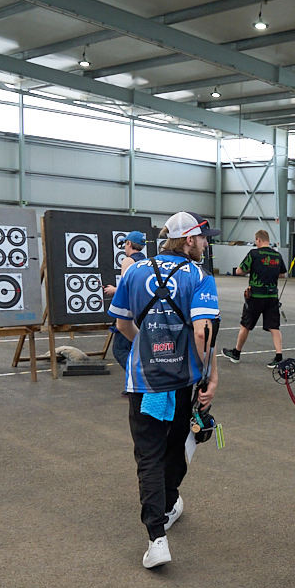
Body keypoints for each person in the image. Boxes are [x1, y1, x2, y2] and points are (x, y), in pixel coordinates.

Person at [109, 211, 221, 569]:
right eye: (202, 238)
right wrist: (210, 375)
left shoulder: (134, 271)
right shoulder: (199, 276)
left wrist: (145, 346)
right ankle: (170, 501)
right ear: (189, 239)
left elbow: (122, 324)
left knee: (149, 456)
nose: (205, 244)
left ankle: (157, 538)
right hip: (182, 381)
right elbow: (203, 332)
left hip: (144, 381)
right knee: (177, 445)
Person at [222, 230, 287, 368]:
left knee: (245, 325)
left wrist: (253, 270)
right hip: (272, 297)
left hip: (255, 296)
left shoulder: (254, 254)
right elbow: (282, 274)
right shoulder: (277, 255)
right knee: (274, 327)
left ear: (258, 240)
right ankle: (279, 356)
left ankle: (236, 353)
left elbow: (239, 271)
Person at [104, 230, 149, 373]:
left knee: (120, 349)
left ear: (129, 243)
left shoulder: (128, 261)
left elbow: (127, 287)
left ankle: (138, 378)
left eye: (125, 243)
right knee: (136, 348)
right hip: (143, 310)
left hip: (130, 312)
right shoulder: (147, 262)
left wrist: (114, 290)